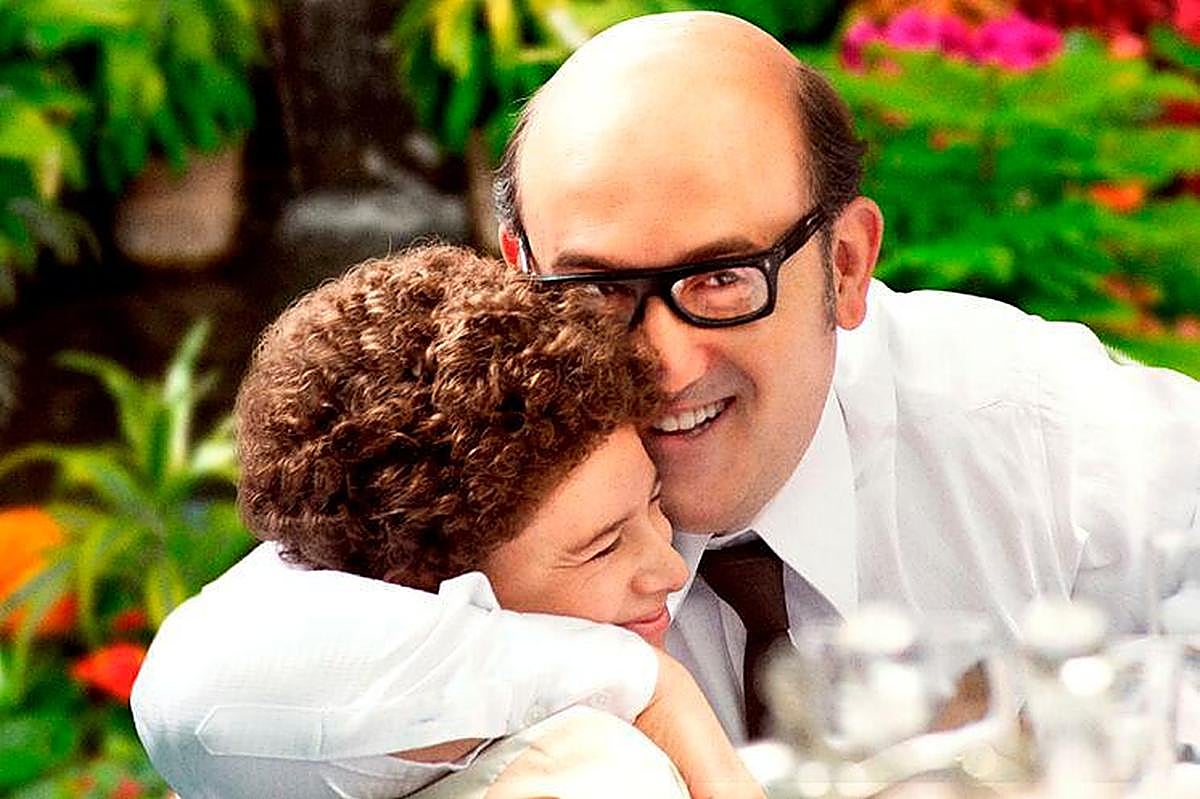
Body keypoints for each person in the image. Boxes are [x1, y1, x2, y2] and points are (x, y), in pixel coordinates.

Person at [133, 7, 1200, 789]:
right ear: (519, 269)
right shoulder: (480, 467)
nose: (667, 363)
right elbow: (197, 698)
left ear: (844, 264)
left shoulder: (1036, 431)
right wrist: (633, 683)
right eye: (596, 286)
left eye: (722, 277)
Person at [135, 244, 761, 798]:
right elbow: (190, 696)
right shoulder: (594, 770)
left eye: (652, 503)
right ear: (419, 591)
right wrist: (650, 684)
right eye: (602, 547)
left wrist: (652, 687)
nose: (670, 568)